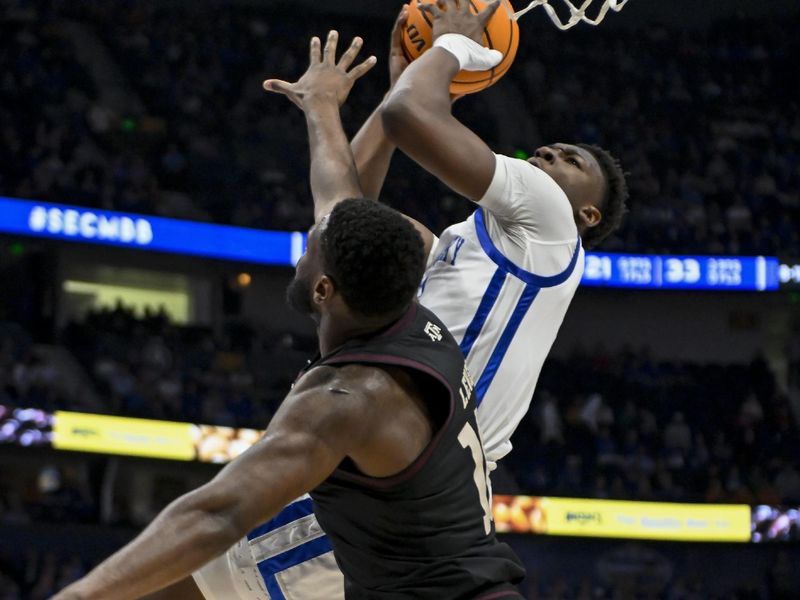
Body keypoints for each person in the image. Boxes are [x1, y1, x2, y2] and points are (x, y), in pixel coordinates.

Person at [187, 2, 629, 598]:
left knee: (184, 576)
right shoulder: (458, 248)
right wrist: (334, 105)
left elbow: (410, 114)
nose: (550, 153)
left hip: (407, 471)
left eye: (571, 160)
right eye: (550, 149)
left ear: (588, 213)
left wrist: (449, 49)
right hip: (395, 469)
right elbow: (345, 220)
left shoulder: (553, 220)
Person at [53, 205, 525, 598]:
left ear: (322, 289)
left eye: (307, 252)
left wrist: (79, 595)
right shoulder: (421, 324)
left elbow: (218, 515)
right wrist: (320, 110)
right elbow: (344, 204)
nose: (300, 258)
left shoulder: (349, 397)